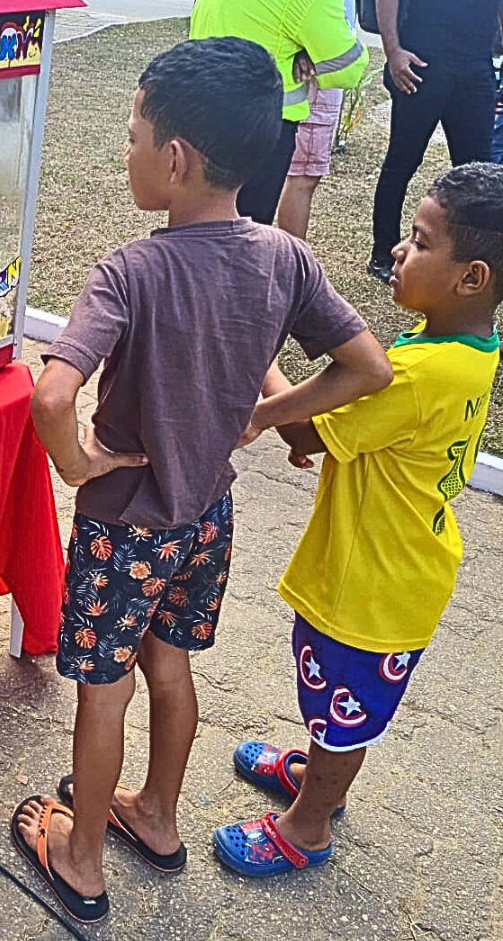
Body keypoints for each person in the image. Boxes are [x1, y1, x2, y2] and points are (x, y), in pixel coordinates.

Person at [10, 37, 393, 923]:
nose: (128, 148)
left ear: (174, 160)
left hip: (125, 524)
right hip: (206, 517)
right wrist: (268, 413)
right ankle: (158, 812)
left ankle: (82, 857)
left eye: (135, 132)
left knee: (103, 694)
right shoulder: (283, 259)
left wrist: (79, 466)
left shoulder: (131, 271)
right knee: (171, 663)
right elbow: (366, 366)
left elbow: (53, 393)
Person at [215, 163, 502, 876]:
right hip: (401, 568)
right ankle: (318, 775)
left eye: (420, 240)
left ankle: (309, 823)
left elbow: (308, 434)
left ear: (472, 277)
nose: (400, 251)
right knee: (336, 698)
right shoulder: (461, 350)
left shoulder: (419, 372)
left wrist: (263, 369)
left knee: (345, 707)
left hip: (372, 583)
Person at [190, 0, 369, 226]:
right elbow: (349, 66)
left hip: (200, 112)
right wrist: (314, 56)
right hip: (260, 132)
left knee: (194, 230)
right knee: (240, 241)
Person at [368, 0, 503, 282]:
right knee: (401, 163)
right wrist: (394, 52)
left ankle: (470, 262)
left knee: (479, 176)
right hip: (423, 65)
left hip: (477, 68)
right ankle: (382, 253)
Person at [276, 0, 386, 240]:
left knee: (298, 170)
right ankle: (292, 266)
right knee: (303, 173)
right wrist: (311, 44)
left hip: (319, 45)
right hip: (319, 51)